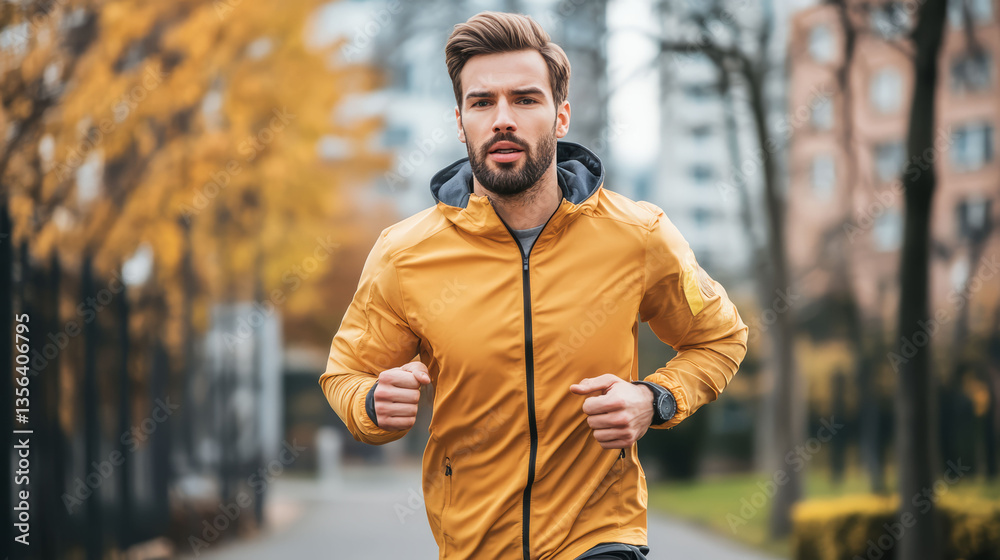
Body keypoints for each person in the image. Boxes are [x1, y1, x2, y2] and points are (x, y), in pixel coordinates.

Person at [319, 11, 748, 560]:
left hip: (600, 538)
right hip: (474, 544)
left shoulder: (638, 236)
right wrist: (372, 403)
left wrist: (655, 399)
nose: (503, 119)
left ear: (560, 115)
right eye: (482, 103)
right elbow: (345, 373)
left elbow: (720, 338)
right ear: (460, 122)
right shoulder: (403, 254)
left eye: (525, 99)